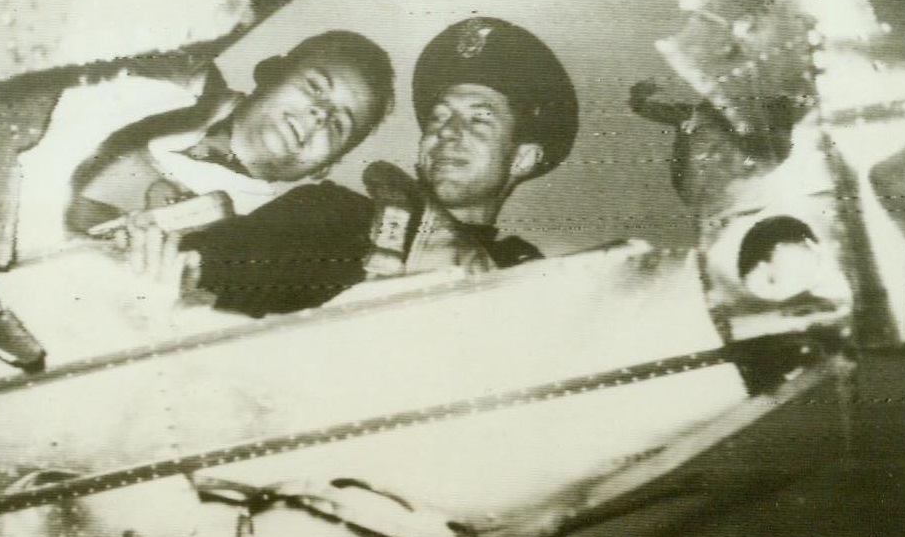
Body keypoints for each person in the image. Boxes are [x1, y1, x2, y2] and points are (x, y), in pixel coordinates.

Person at [168, 17, 578, 317]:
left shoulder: (522, 276)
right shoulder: (327, 213)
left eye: (479, 119)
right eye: (439, 118)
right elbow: (181, 278)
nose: (448, 132)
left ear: (523, 158)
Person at [64, 30, 396, 234]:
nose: (320, 114)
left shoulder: (251, 234)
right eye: (315, 87)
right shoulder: (183, 77)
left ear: (323, 168)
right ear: (271, 73)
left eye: (339, 125)